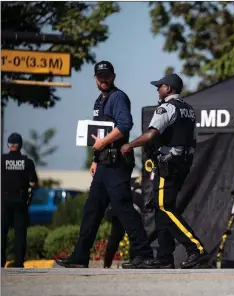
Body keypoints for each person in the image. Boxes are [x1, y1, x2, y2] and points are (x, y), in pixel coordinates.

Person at [56, 61, 154, 269]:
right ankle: (80, 257)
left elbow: (125, 125)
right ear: (95, 79)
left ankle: (145, 255)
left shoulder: (118, 97)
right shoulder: (98, 102)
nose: (103, 79)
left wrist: (104, 142)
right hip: (103, 164)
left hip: (117, 164)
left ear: (113, 76)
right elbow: (98, 135)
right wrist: (94, 158)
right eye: (100, 76)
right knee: (92, 210)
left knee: (124, 208)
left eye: (107, 76)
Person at [121, 73, 208, 269]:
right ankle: (164, 257)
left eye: (160, 86)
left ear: (168, 89)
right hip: (182, 163)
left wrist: (128, 146)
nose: (157, 89)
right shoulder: (189, 109)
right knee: (161, 207)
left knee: (164, 207)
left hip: (168, 164)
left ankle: (195, 249)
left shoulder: (167, 108)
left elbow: (151, 135)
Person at [1, 133, 38, 268]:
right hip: (20, 201)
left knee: (2, 231)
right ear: (20, 145)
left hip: (3, 201)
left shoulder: (2, 160)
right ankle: (18, 261)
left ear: (8, 145)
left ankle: (1, 260)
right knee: (20, 233)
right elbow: (33, 183)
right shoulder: (27, 162)